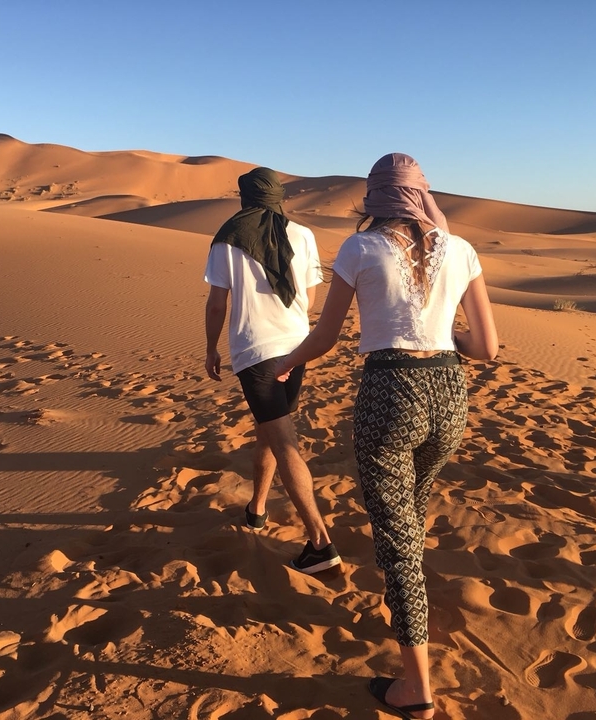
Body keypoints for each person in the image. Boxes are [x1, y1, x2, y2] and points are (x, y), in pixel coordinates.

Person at [274, 154, 498, 718]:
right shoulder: (462, 249)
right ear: (422, 193)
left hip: (389, 392)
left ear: (373, 198)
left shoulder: (359, 248)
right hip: (450, 392)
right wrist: (445, 342)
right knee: (410, 515)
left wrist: (285, 363)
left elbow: (325, 336)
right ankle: (414, 608)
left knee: (395, 539)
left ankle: (416, 689)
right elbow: (488, 349)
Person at [204, 166, 341, 574]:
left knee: (283, 442)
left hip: (256, 351)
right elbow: (311, 300)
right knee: (269, 429)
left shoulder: (228, 237)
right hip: (297, 349)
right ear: (278, 196)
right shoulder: (303, 235)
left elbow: (216, 303)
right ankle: (258, 508)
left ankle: (320, 543)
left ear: (245, 196)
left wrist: (211, 347)